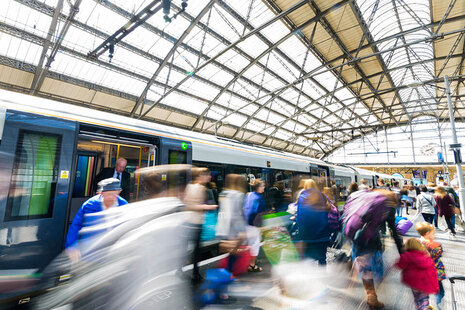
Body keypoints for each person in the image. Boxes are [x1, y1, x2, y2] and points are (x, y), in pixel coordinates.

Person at [344, 190, 403, 309]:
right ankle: (373, 296)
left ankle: (370, 293)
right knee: (376, 267)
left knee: (364, 267)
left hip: (355, 236)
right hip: (371, 240)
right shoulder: (387, 206)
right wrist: (401, 251)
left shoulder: (364, 198)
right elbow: (393, 230)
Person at [65, 178, 128, 262]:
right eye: (107, 194)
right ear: (100, 193)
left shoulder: (124, 206)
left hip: (112, 255)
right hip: (89, 254)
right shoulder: (89, 205)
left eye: (113, 194)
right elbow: (76, 226)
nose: (110, 197)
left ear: (119, 192)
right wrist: (72, 246)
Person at [184, 167, 218, 283]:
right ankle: (195, 274)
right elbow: (189, 205)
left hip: (190, 222)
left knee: (194, 250)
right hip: (195, 223)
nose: (209, 177)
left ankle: (193, 272)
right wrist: (207, 207)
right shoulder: (200, 188)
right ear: (201, 176)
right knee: (196, 251)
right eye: (207, 175)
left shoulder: (190, 186)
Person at [296, 179, 333, 265]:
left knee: (308, 258)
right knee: (322, 258)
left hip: (307, 233)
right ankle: (323, 272)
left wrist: (301, 231)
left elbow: (300, 216)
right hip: (322, 231)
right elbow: (330, 209)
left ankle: (311, 276)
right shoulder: (323, 196)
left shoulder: (301, 198)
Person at [215, 174, 247, 272]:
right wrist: (241, 230)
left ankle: (225, 273)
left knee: (229, 253)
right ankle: (226, 274)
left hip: (223, 227)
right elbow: (237, 214)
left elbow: (222, 213)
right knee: (233, 253)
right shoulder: (238, 195)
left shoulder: (223, 193)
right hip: (234, 228)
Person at [395, 238, 438, 310]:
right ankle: (424, 307)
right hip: (426, 282)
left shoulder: (406, 255)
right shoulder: (425, 255)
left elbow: (401, 265)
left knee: (418, 298)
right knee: (424, 298)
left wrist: (395, 264)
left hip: (415, 283)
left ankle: (422, 308)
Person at [416, 222, 446, 308]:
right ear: (427, 234)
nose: (434, 236)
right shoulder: (435, 245)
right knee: (440, 292)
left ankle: (425, 306)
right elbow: (439, 254)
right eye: (433, 234)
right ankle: (438, 306)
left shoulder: (417, 243)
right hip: (435, 273)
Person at [243, 179, 266, 272]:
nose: (264, 187)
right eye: (262, 186)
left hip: (245, 224)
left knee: (248, 244)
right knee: (255, 244)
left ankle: (246, 263)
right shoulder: (259, 198)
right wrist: (260, 225)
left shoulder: (248, 195)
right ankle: (251, 265)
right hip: (253, 225)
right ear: (258, 187)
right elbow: (258, 213)